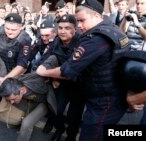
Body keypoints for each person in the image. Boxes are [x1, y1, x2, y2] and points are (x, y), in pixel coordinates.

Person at [36, 0, 130, 140]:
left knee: (89, 134)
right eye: (77, 21)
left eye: (82, 20)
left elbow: (67, 70)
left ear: (97, 16)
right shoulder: (113, 29)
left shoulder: (95, 39)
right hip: (103, 90)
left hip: (102, 98)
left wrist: (43, 72)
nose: (79, 25)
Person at [44, 14, 85, 141]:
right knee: (57, 110)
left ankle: (71, 135)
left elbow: (78, 70)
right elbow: (47, 58)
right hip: (62, 84)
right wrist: (52, 77)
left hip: (79, 85)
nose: (62, 31)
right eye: (60, 28)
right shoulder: (56, 41)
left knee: (74, 116)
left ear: (75, 28)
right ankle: (59, 129)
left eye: (67, 28)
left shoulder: (82, 42)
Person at [0, 72, 57, 141]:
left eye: (13, 99)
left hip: (44, 102)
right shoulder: (16, 85)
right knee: (18, 119)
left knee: (26, 124)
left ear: (22, 90)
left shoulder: (39, 85)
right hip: (31, 100)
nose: (11, 102)